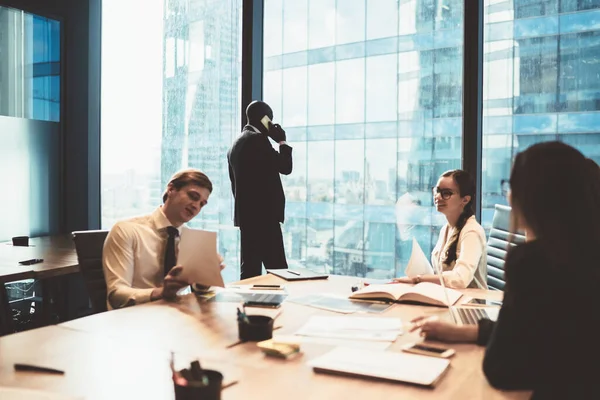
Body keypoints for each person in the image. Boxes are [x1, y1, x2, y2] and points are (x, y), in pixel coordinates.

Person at [410, 142, 600, 398]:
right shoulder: (583, 256)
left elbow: (503, 366)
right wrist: (467, 332)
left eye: (512, 187)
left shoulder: (536, 263)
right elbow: (543, 333)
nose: (508, 196)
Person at [103, 168, 222, 310]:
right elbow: (116, 295)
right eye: (193, 196)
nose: (196, 206)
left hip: (174, 315)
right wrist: (160, 293)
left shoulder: (191, 239)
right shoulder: (126, 230)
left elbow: (198, 291)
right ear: (171, 189)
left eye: (202, 204)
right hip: (133, 318)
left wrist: (203, 280)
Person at [228, 100, 293, 279]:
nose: (271, 123)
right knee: (279, 271)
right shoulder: (257, 140)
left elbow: (236, 186)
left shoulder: (236, 144)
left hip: (247, 219)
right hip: (265, 219)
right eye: (269, 119)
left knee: (250, 272)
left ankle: (248, 306)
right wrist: (282, 141)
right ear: (264, 119)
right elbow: (285, 166)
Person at [395, 170, 487, 289]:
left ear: (465, 199)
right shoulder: (447, 228)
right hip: (448, 297)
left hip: (467, 304)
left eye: (446, 193)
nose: (438, 197)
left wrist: (419, 279)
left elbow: (460, 279)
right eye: (437, 191)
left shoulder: (472, 232)